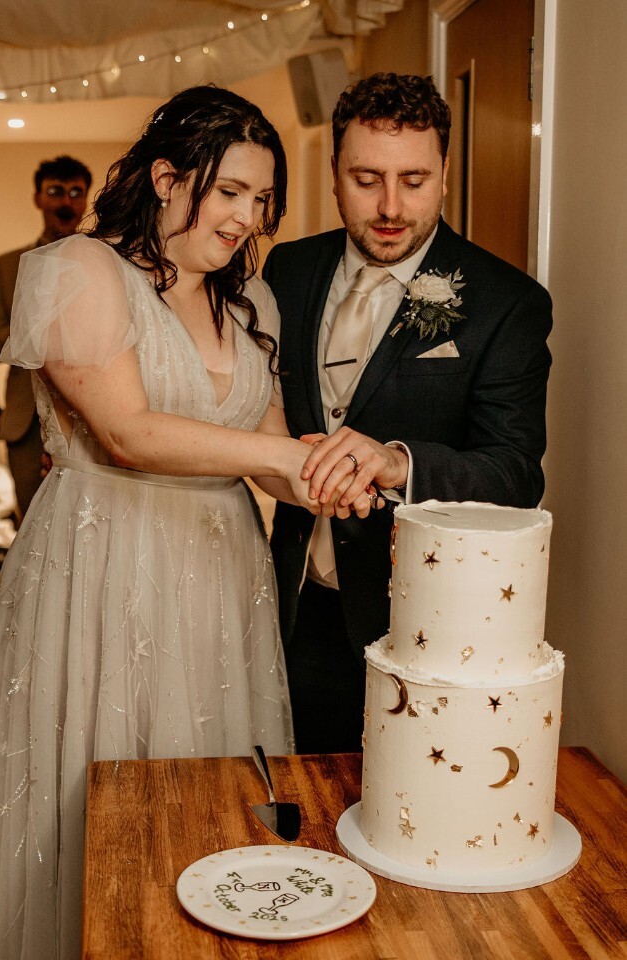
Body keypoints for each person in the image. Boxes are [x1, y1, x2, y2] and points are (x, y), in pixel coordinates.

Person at [0, 87, 372, 960]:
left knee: (208, 779)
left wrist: (341, 473)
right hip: (105, 552)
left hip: (222, 563)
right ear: (165, 177)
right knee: (103, 769)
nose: (246, 218)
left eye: (261, 200)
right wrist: (285, 461)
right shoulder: (79, 270)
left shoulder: (250, 301)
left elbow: (268, 448)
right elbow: (127, 431)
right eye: (229, 193)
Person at [263, 73, 553, 754]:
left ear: (445, 173)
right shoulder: (288, 271)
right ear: (334, 173)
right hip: (289, 603)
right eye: (367, 179)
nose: (391, 206)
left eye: (414, 180)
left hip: (420, 619)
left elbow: (514, 473)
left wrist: (399, 462)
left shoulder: (506, 301)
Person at [0, 155, 92, 518]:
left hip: (91, 416)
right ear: (38, 198)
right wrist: (35, 331)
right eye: (56, 191)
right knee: (30, 527)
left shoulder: (102, 262)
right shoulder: (8, 264)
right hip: (25, 423)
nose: (65, 202)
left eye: (76, 192)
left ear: (87, 198)